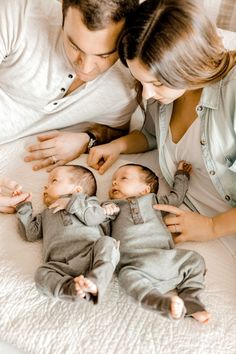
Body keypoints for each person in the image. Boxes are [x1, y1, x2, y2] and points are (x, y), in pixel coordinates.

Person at [88, 0, 236, 248]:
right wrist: (118, 145)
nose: (146, 95)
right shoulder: (165, 96)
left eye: (157, 83)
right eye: (141, 81)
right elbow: (152, 135)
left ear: (191, 63)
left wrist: (212, 226)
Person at [0, 0, 138, 171]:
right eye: (74, 46)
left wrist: (87, 139)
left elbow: (117, 130)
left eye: (104, 56)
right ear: (63, 12)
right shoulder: (20, 14)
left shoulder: (129, 83)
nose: (85, 68)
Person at [102, 162, 210, 322]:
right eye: (113, 181)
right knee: (125, 277)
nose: (115, 182)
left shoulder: (154, 201)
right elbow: (97, 223)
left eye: (123, 178)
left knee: (195, 260)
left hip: (165, 258)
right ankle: (159, 302)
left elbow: (176, 197)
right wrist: (103, 212)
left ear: (145, 189)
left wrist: (181, 176)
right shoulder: (111, 206)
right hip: (135, 265)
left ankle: (190, 299)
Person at [16, 165, 120, 302]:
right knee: (41, 274)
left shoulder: (89, 203)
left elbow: (94, 218)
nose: (45, 187)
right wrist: (23, 207)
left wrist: (73, 204)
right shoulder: (46, 214)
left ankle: (96, 282)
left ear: (77, 190)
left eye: (53, 181)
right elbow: (30, 234)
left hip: (91, 254)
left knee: (108, 243)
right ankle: (71, 289)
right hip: (60, 264)